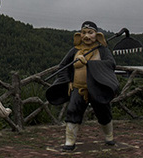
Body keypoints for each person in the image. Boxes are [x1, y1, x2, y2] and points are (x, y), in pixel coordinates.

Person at [45, 21, 120, 149]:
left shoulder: (102, 51)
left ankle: (109, 137)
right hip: (78, 88)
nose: (87, 36)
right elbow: (63, 67)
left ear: (97, 35)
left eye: (90, 33)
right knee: (72, 111)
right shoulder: (74, 51)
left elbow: (110, 64)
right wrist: (67, 81)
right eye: (84, 33)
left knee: (104, 112)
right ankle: (70, 141)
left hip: (97, 87)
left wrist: (89, 64)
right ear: (79, 35)